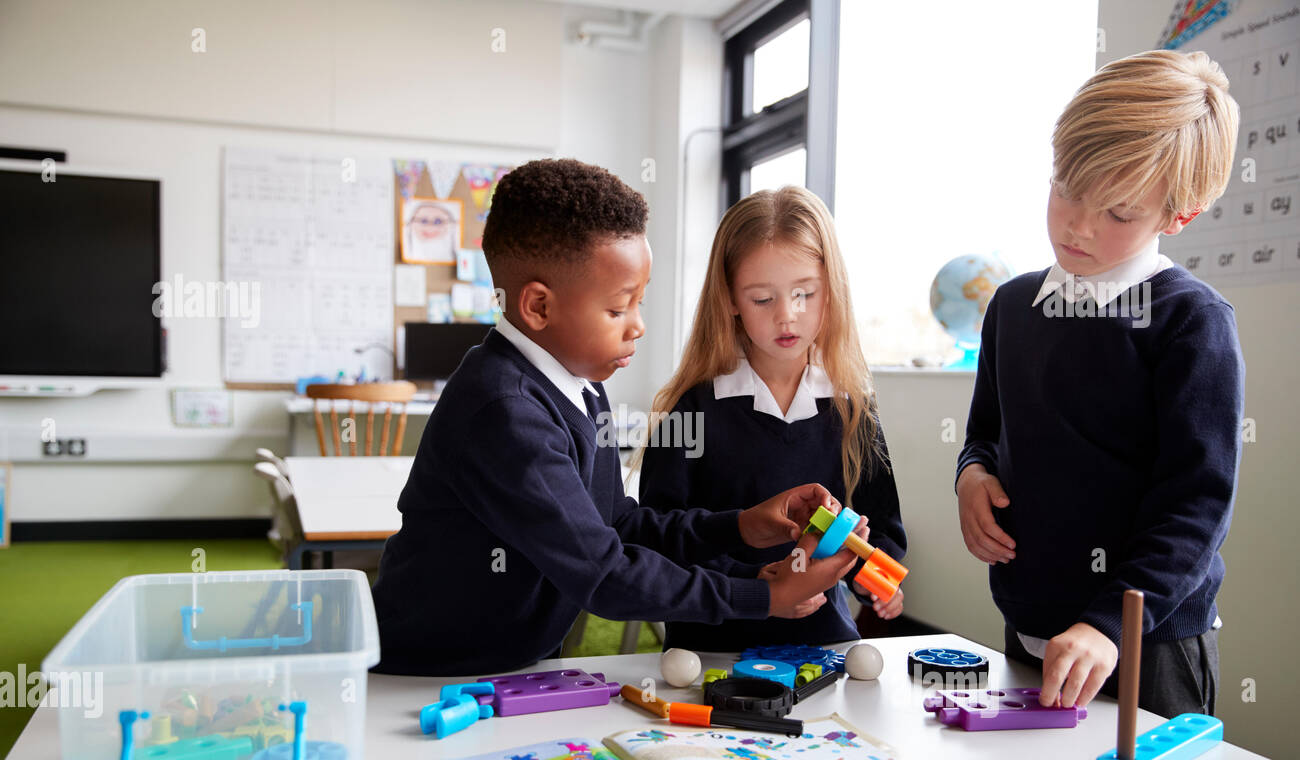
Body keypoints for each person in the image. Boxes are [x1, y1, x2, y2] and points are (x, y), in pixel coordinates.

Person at [371, 159, 855, 675]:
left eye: (639, 303)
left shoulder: (582, 387)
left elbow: (617, 524)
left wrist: (741, 526)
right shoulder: (504, 412)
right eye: (619, 308)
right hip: (427, 672)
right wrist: (762, 597)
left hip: (511, 662)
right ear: (538, 307)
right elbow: (602, 573)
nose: (638, 327)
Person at [956, 50, 1243, 718]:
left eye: (1118, 212)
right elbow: (984, 436)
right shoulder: (1011, 307)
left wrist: (1110, 623)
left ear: (1180, 217)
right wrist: (971, 476)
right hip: (1030, 627)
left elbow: (1195, 506)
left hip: (1147, 644)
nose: (1078, 225)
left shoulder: (1193, 323)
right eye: (1066, 189)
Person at [639, 185, 906, 652]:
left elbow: (882, 530)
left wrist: (873, 580)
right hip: (712, 643)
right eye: (763, 299)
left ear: (832, 291)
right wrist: (758, 585)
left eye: (805, 293)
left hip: (823, 645)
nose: (788, 316)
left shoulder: (852, 408)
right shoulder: (693, 408)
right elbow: (659, 538)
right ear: (730, 300)